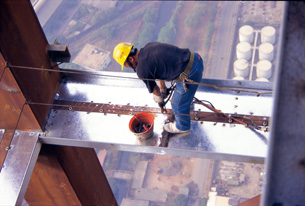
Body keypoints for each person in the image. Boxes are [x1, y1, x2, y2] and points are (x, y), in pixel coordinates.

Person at [113, 42, 204, 134]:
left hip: (191, 74)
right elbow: (158, 68)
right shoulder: (149, 46)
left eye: (125, 64)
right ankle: (187, 100)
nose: (127, 67)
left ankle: (182, 127)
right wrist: (163, 87)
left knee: (176, 104)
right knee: (180, 96)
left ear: (131, 59)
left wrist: (160, 101)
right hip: (196, 59)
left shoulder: (141, 70)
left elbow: (155, 90)